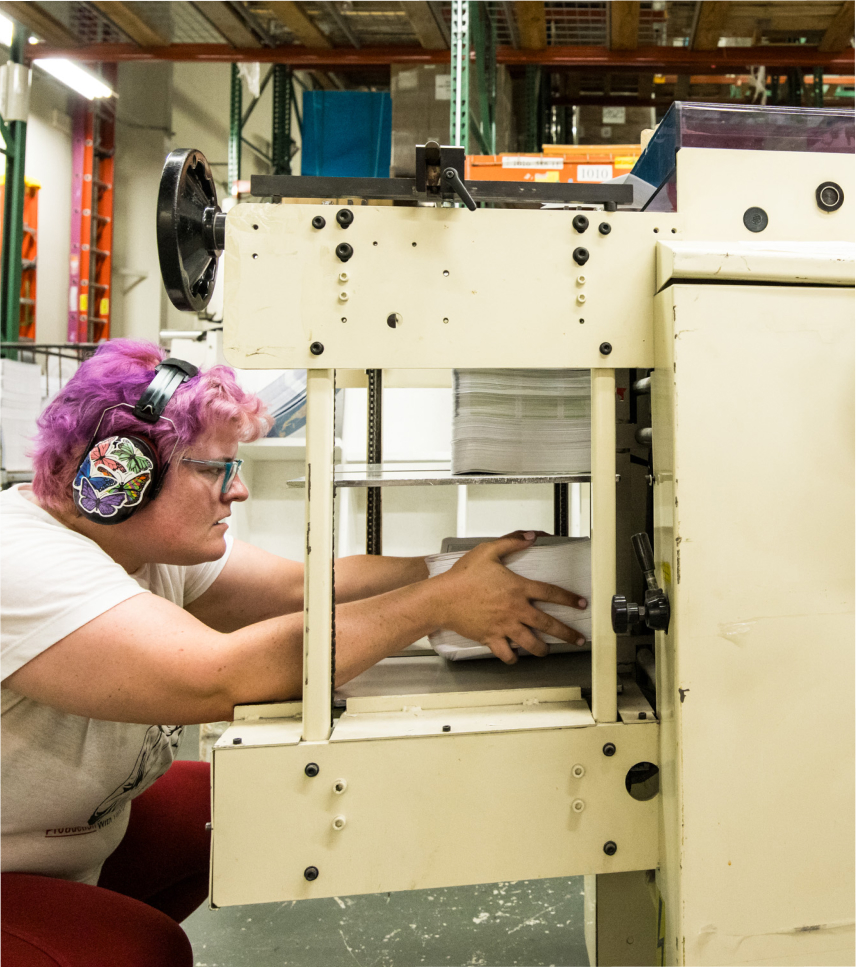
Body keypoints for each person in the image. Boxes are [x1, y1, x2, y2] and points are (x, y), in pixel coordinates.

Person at [0, 339, 587, 966]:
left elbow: (298, 587)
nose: (239, 490)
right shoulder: (23, 560)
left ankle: (70, 919)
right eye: (213, 469)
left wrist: (454, 568)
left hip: (45, 845)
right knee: (141, 949)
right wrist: (438, 603)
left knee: (228, 803)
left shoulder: (132, 547)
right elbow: (218, 678)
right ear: (121, 471)